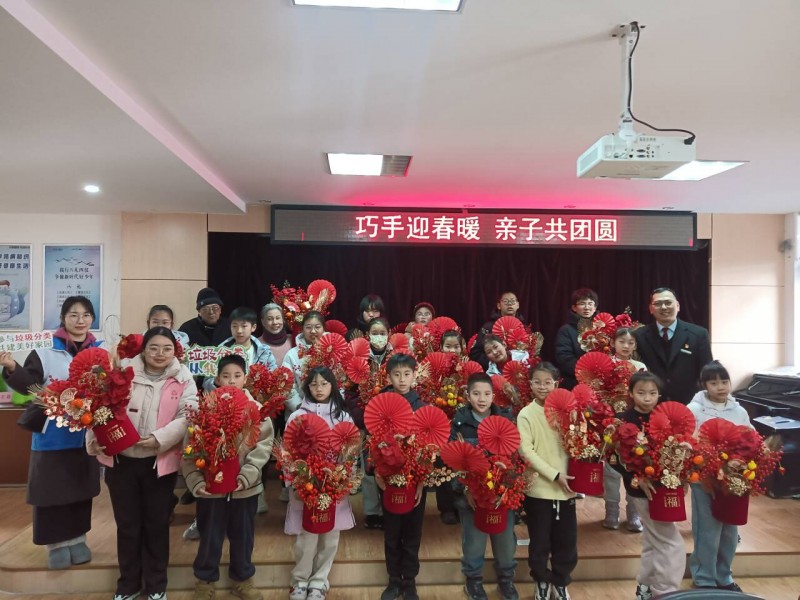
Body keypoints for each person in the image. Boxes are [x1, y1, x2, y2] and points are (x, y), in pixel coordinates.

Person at [87, 327, 197, 600]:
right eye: (153, 348)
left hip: (158, 464)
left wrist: (159, 439)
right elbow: (99, 408)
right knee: (128, 526)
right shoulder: (122, 372)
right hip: (121, 462)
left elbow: (187, 416)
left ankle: (157, 585)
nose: (160, 354)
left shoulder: (184, 378)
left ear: (175, 351)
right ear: (144, 349)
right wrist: (94, 441)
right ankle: (128, 584)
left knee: (156, 525)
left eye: (166, 348)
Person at [0, 296, 102, 569]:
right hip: (51, 434)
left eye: (86, 315)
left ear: (92, 319)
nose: (80, 320)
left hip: (85, 436)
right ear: (63, 318)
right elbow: (30, 388)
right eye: (73, 315)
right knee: (51, 491)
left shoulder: (101, 352)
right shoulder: (45, 350)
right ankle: (56, 545)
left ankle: (78, 540)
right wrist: (12, 368)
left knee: (81, 490)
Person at [186, 355, 273, 600]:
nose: (231, 381)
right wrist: (195, 479)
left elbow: (263, 446)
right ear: (217, 379)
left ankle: (242, 580)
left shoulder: (256, 409)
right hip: (210, 489)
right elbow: (190, 446)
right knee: (209, 535)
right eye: (226, 376)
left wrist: (248, 475)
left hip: (245, 488)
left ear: (245, 378)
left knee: (243, 536)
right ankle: (204, 580)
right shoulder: (205, 408)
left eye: (237, 376)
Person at [613, 371, 684, 600]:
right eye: (641, 392)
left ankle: (646, 587)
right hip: (642, 489)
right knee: (671, 542)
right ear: (631, 393)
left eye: (653, 393)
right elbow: (614, 458)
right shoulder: (623, 420)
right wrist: (636, 477)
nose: (647, 398)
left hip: (665, 487)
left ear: (659, 394)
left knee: (654, 540)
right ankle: (666, 592)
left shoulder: (665, 417)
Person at [286, 366, 355, 600]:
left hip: (334, 485)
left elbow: (350, 452)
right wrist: (295, 482)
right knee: (306, 536)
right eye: (314, 384)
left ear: (332, 386)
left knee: (330, 537)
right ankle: (300, 581)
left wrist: (343, 478)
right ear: (307, 387)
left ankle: (319, 582)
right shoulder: (297, 417)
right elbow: (287, 453)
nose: (319, 388)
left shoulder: (343, 416)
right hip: (305, 485)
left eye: (324, 383)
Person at [687, 361, 752, 593]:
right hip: (704, 480)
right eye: (714, 383)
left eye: (724, 381)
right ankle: (704, 577)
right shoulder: (694, 409)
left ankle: (724, 575)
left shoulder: (739, 411)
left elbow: (751, 440)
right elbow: (688, 442)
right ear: (704, 385)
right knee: (708, 529)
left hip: (734, 481)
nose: (721, 387)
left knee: (730, 531)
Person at [452, 373, 518, 600]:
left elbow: (515, 458)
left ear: (493, 396)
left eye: (487, 394)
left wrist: (506, 489)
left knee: (505, 542)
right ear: (468, 395)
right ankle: (473, 582)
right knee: (473, 542)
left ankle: (506, 580)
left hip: (502, 497)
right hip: (472, 498)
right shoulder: (459, 423)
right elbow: (454, 463)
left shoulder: (506, 420)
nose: (482, 399)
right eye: (476, 393)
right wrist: (466, 489)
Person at [517, 362, 577, 600]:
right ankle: (541, 581)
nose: (542, 387)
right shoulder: (526, 414)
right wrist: (554, 475)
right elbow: (526, 451)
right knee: (539, 542)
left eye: (547, 382)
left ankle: (561, 582)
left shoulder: (569, 411)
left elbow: (579, 444)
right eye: (537, 382)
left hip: (568, 488)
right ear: (530, 385)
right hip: (539, 490)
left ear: (556, 383)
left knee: (566, 542)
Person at [377, 353, 425, 600]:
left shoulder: (422, 407)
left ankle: (410, 581)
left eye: (407, 374)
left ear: (415, 375)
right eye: (397, 375)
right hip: (387, 479)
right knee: (392, 532)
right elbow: (372, 442)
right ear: (389, 377)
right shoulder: (380, 405)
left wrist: (422, 482)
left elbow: (428, 450)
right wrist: (376, 472)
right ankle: (394, 579)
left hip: (414, 480)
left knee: (413, 533)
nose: (402, 379)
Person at [634, 287, 713, 404]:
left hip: (690, 404)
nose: (663, 307)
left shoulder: (698, 334)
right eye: (658, 304)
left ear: (678, 306)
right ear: (651, 309)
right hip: (651, 404)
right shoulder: (639, 336)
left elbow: (707, 373)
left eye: (668, 302)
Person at [602, 327, 646, 532]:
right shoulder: (605, 365)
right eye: (621, 341)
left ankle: (633, 512)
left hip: (633, 423)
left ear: (635, 345)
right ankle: (611, 510)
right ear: (613, 343)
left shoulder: (640, 367)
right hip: (610, 422)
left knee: (634, 466)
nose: (626, 346)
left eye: (630, 342)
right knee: (611, 469)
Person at [280, 311, 326, 502]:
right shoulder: (292, 354)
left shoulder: (331, 350)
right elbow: (286, 384)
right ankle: (297, 489)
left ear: (324, 328)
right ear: (302, 329)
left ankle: (324, 490)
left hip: (327, 412)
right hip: (300, 412)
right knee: (300, 454)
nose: (313, 331)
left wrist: (332, 406)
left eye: (317, 327)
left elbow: (340, 382)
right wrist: (300, 406)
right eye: (308, 327)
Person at [202, 307, 277, 392]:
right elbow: (206, 382)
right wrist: (215, 383)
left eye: (244, 326)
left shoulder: (264, 352)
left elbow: (274, 377)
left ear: (253, 327)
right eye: (234, 326)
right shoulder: (219, 351)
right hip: (227, 397)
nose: (239, 331)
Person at [554, 288, 598, 390]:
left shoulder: (603, 328)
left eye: (590, 304)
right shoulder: (566, 330)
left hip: (601, 382)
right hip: (574, 382)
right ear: (574, 307)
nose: (587, 307)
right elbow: (564, 358)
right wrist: (586, 372)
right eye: (582, 304)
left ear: (595, 307)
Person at [470, 291, 525, 371]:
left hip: (519, 370)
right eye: (506, 301)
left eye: (513, 301)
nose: (510, 304)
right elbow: (476, 353)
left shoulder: (524, 328)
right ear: (499, 306)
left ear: (518, 305)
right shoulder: (488, 327)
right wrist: (494, 362)